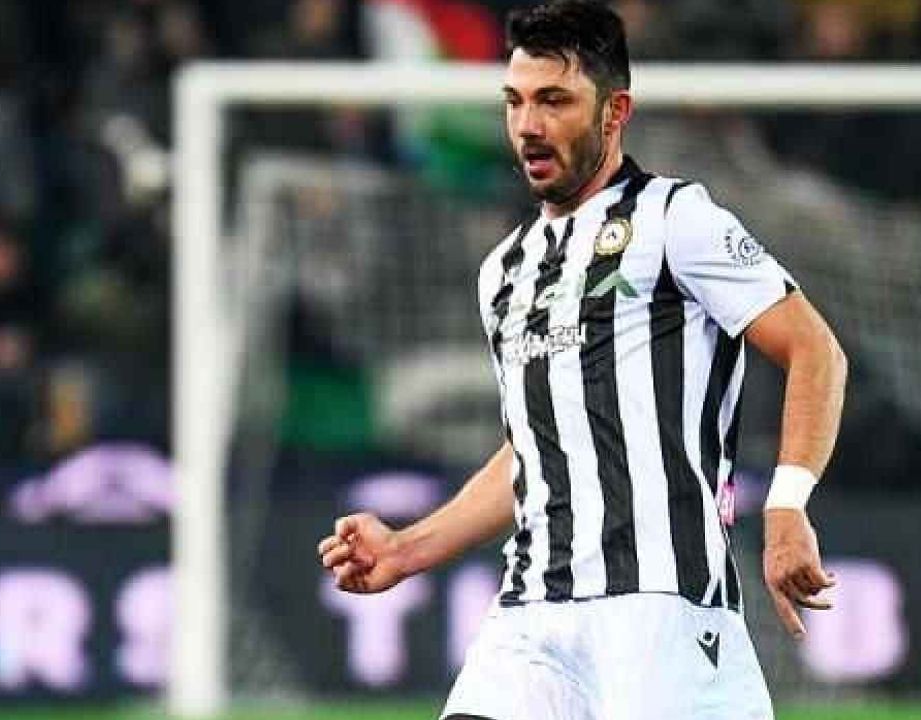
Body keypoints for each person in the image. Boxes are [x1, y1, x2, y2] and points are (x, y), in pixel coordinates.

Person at [316, 2, 847, 717]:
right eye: (515, 102)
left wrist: (786, 507)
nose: (528, 125)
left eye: (554, 101)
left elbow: (815, 349)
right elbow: (535, 448)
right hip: (531, 611)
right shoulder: (504, 273)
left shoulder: (675, 219)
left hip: (659, 610)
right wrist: (407, 550)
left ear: (614, 111)